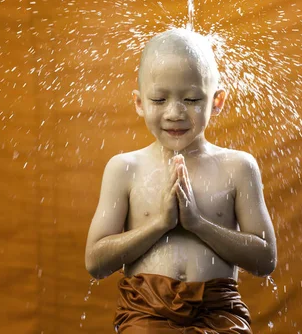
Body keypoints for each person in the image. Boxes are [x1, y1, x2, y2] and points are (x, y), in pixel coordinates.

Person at [85, 28, 277, 333]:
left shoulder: (239, 167)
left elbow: (265, 259)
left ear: (217, 101)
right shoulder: (124, 168)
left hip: (219, 315)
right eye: (159, 99)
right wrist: (160, 223)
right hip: (146, 316)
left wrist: (199, 224)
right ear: (138, 103)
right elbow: (96, 263)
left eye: (191, 99)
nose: (175, 113)